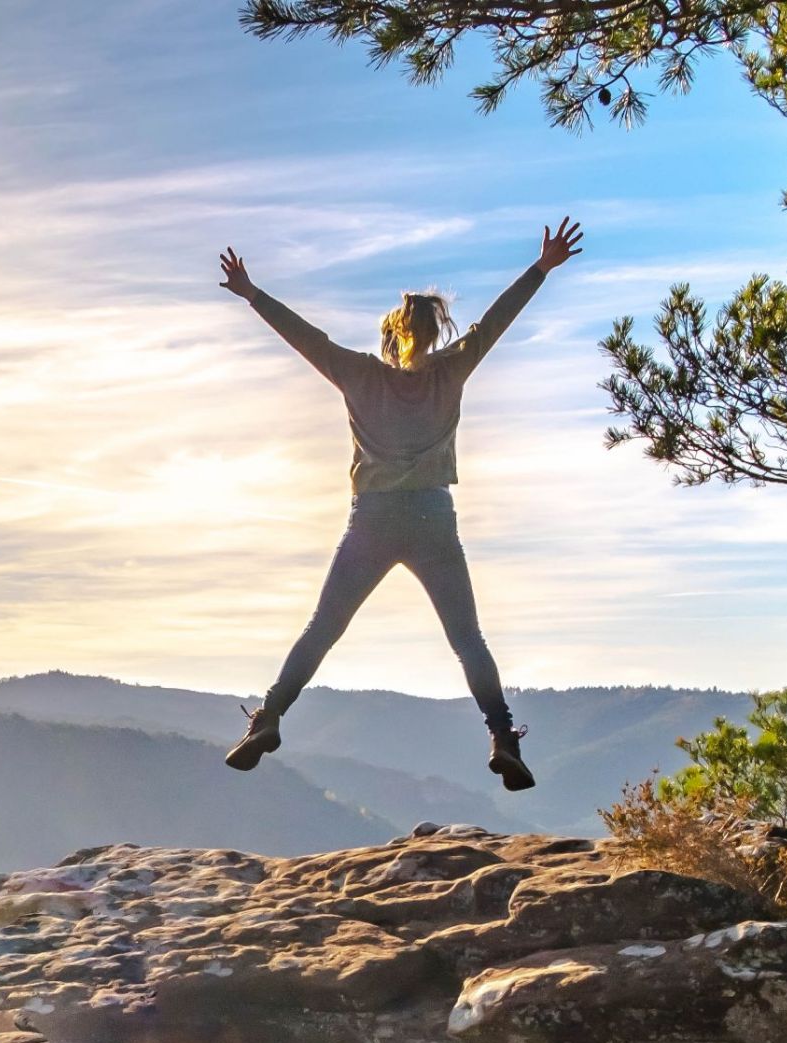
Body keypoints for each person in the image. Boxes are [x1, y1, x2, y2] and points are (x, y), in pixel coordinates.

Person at [217, 218, 583, 789]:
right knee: (468, 640)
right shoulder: (451, 369)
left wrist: (252, 294)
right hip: (434, 518)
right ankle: (503, 737)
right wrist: (540, 268)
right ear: (432, 335)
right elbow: (496, 323)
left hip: (373, 520)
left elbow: (304, 335)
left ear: (390, 335)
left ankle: (268, 719)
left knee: (323, 627)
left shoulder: (358, 373)